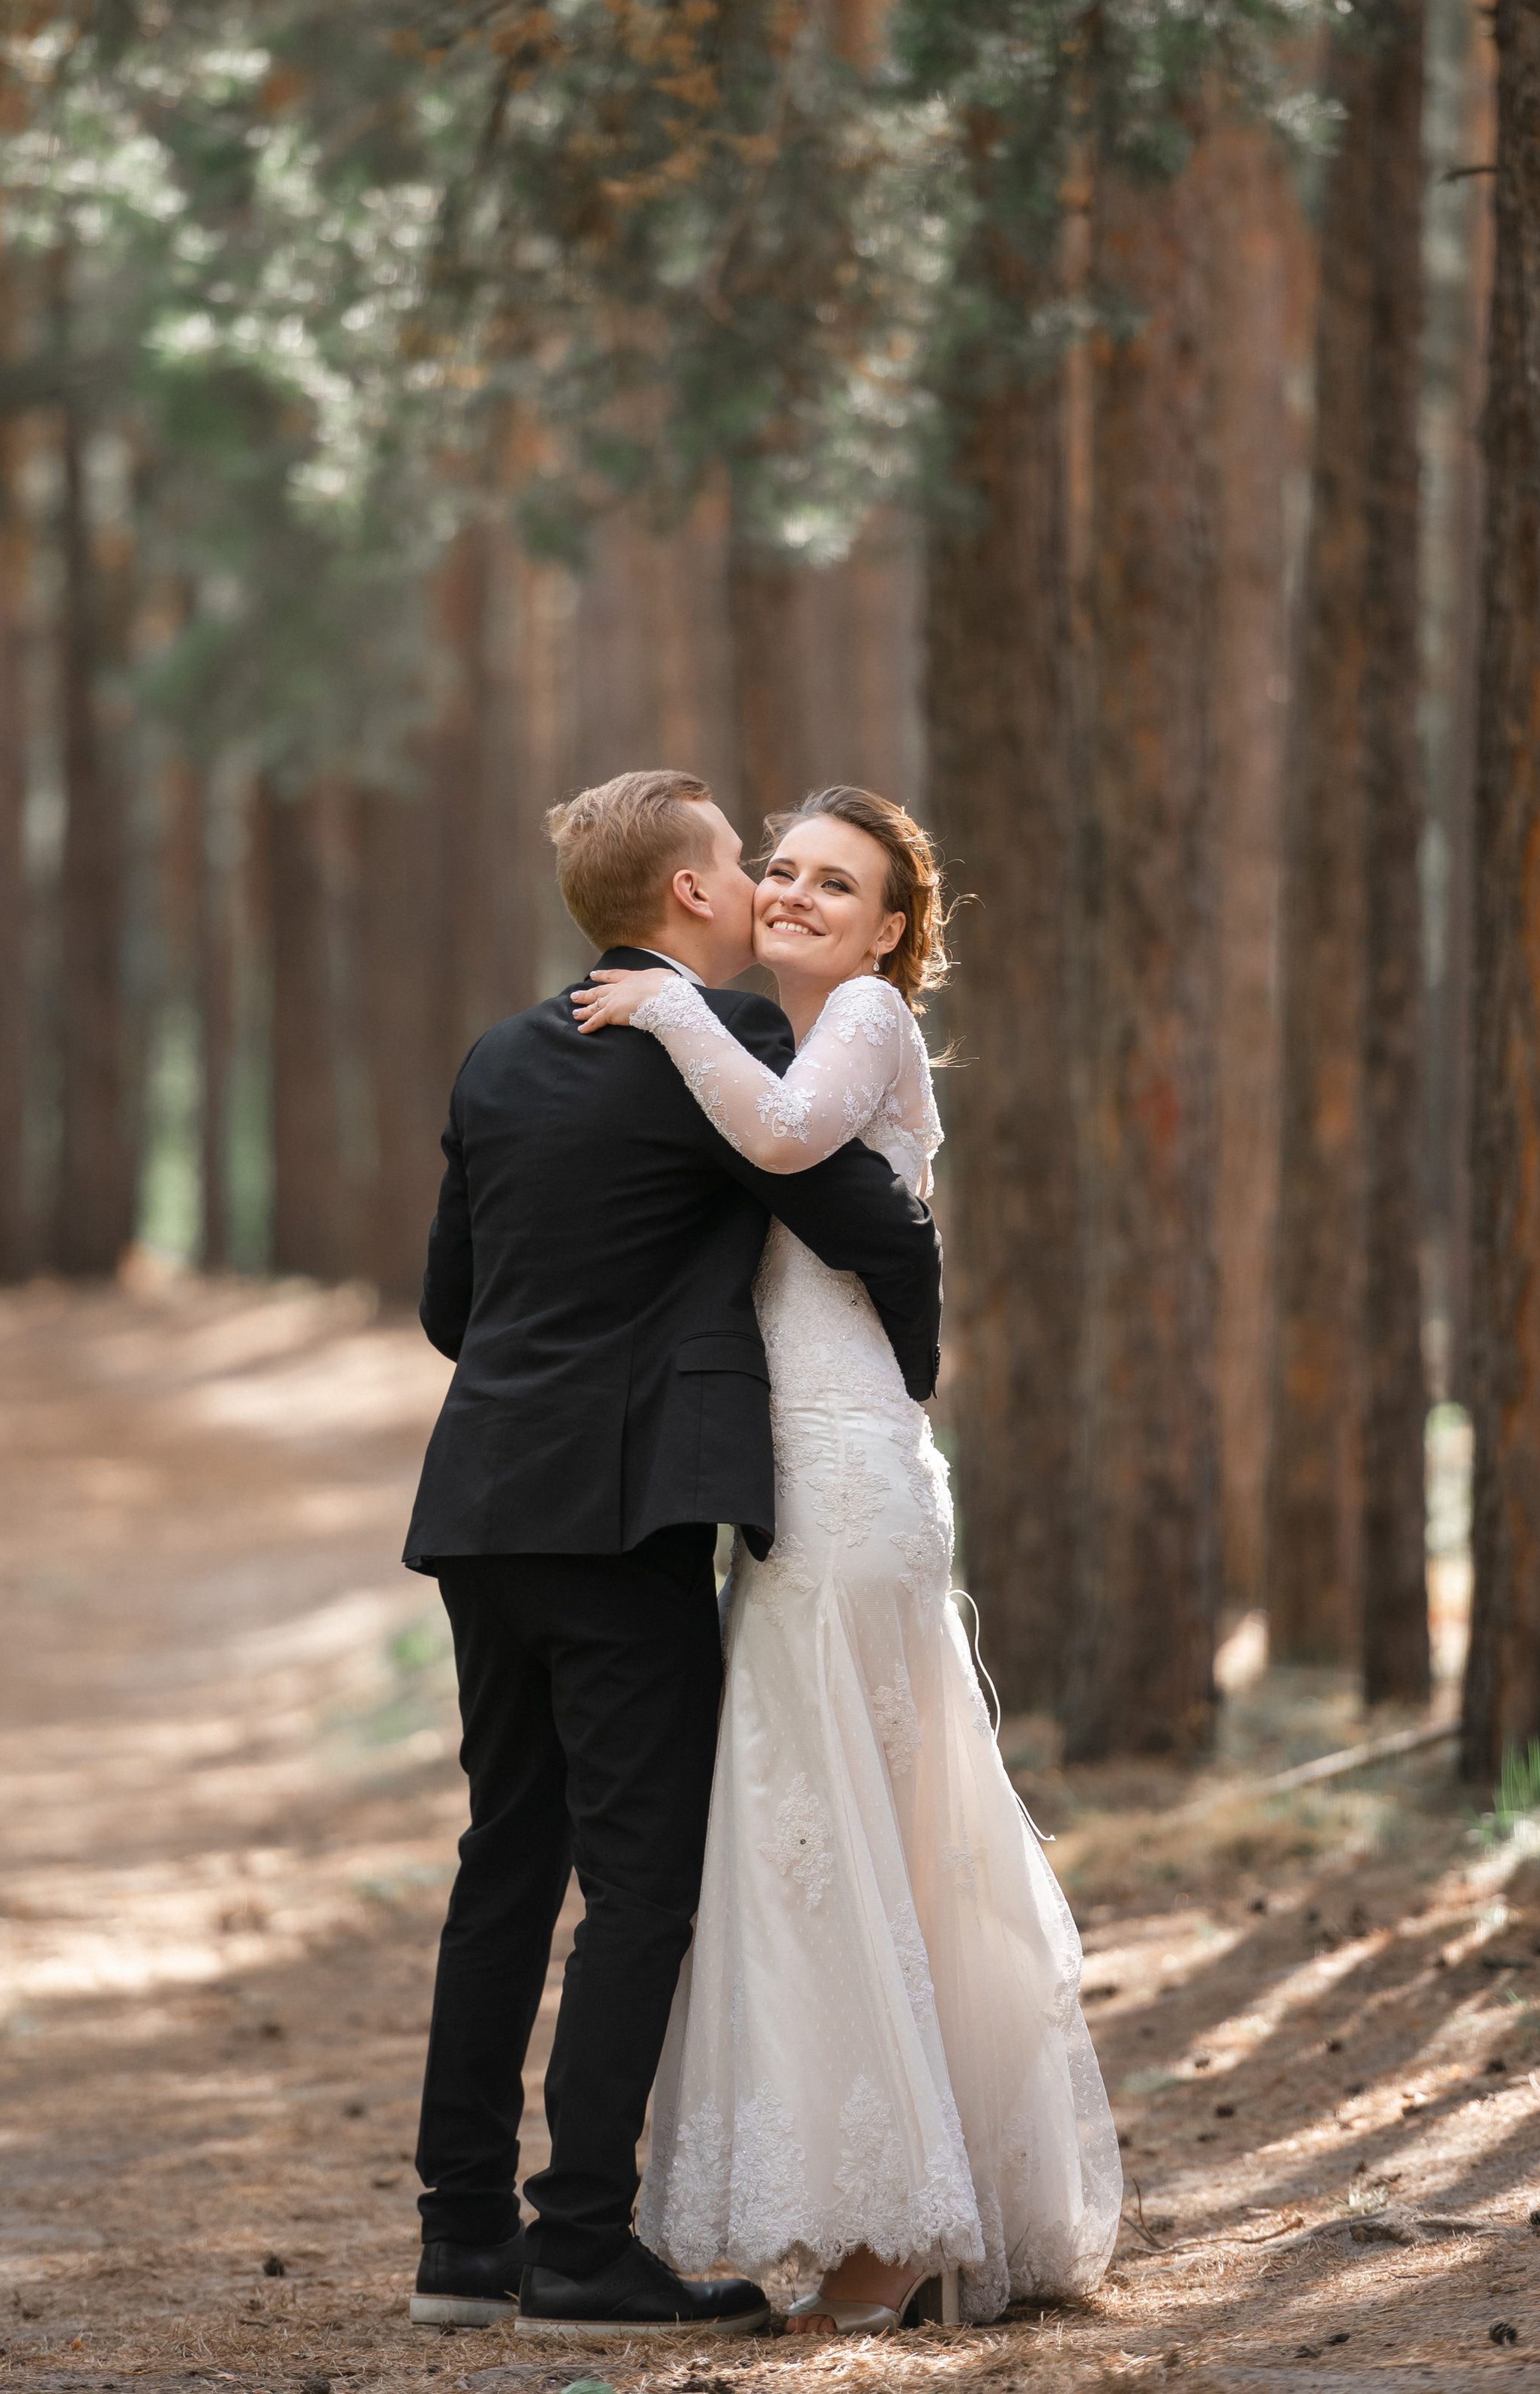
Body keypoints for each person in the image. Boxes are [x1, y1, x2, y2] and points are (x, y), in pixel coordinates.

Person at [400, 768, 942, 2342]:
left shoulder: (500, 1054)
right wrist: (903, 1362)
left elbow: (450, 1307)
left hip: (483, 1504)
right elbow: (869, 1220)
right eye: (737, 858)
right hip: (623, 1515)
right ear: (692, 894)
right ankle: (580, 2246)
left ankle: (460, 2241)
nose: (762, 881)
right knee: (641, 1886)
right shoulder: (731, 1039)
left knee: (504, 1863)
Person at [573, 786, 1122, 2332]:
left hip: (845, 1487)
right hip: (808, 1481)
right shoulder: (785, 1030)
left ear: (888, 931)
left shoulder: (862, 1020)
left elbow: (785, 1140)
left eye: (837, 882)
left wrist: (666, 1005)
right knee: (830, 1834)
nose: (797, 893)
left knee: (836, 1832)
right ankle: (883, 2199)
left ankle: (892, 2231)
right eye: (783, 869)